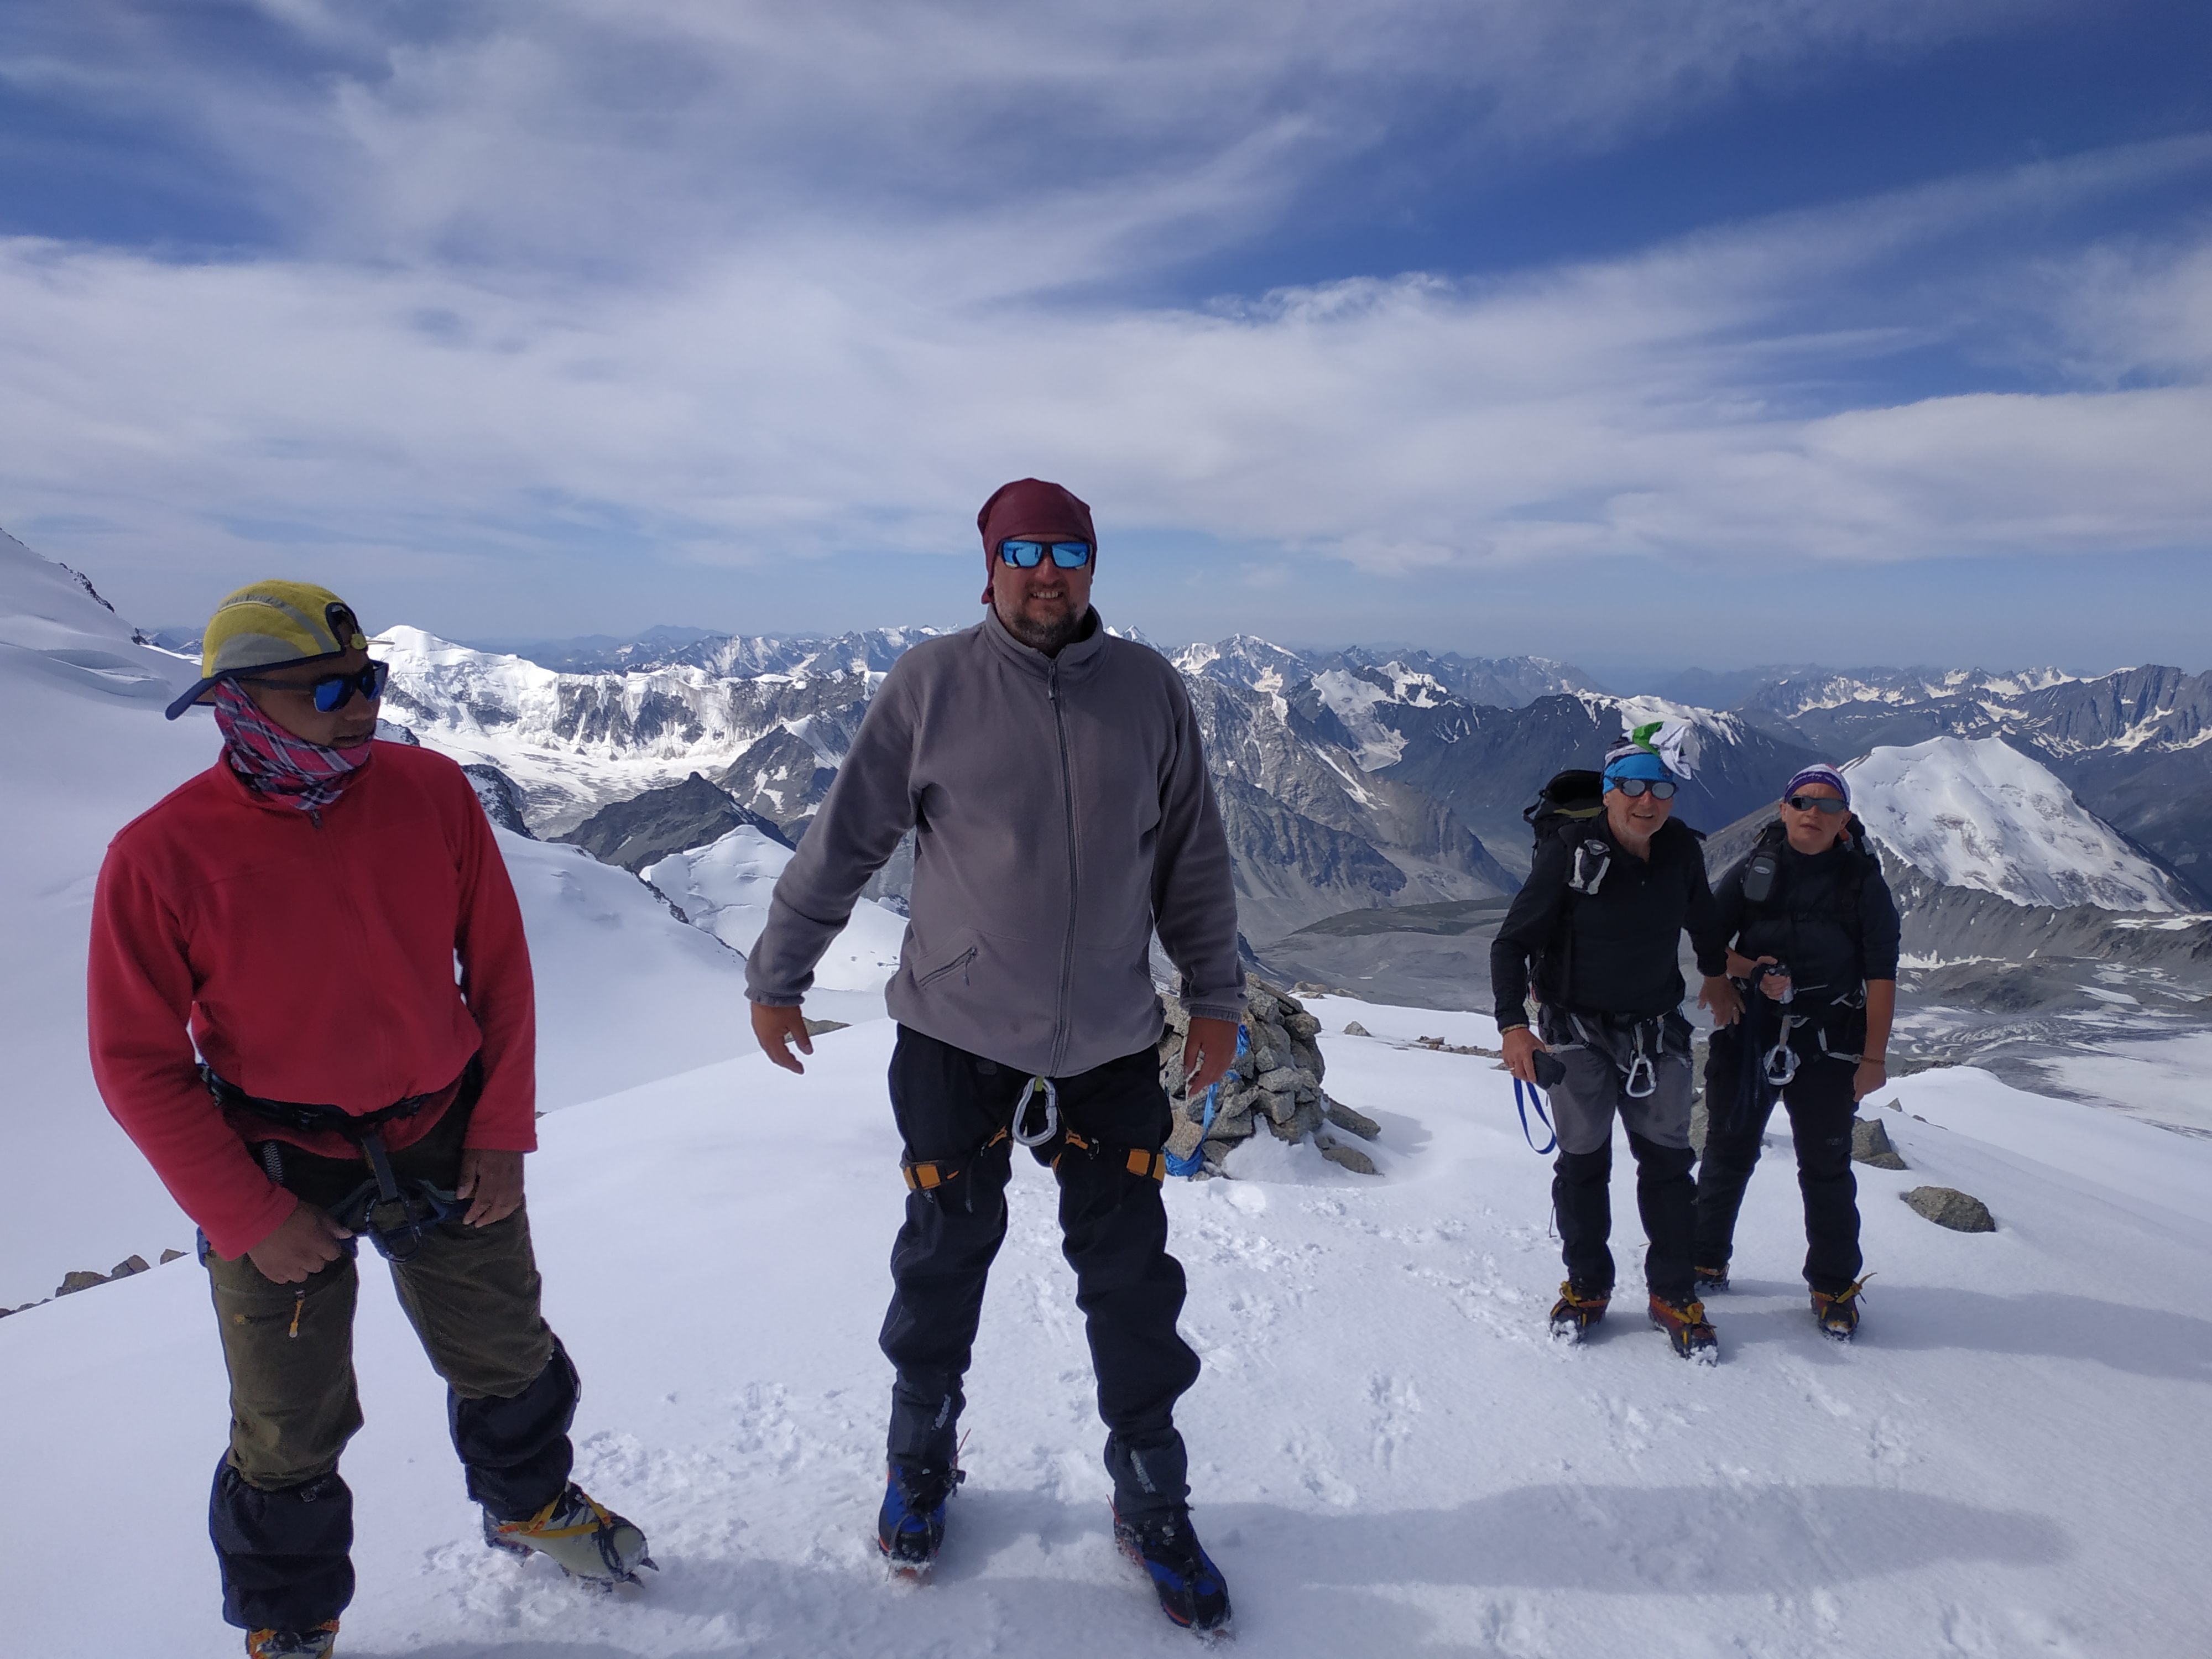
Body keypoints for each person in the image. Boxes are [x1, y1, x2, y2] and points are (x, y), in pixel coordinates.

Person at [88, 582, 650, 1659]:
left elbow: (498, 973)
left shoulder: (432, 793)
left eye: (370, 682)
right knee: (287, 1421)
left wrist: (500, 1135)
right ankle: (292, 1620)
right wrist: (249, 1216)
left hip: (442, 1132)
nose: (362, 709)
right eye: (330, 691)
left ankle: (528, 1503)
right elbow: (137, 1064)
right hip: (275, 1161)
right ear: (239, 704)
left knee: (507, 1352)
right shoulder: (159, 857)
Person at [746, 478, 1243, 1633]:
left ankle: (1150, 1490)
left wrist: (1212, 994)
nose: (1044, 570)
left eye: (1066, 550)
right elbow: (844, 839)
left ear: (1090, 563)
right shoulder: (933, 684)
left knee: (1128, 1279)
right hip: (955, 1039)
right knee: (941, 1255)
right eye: (1021, 550)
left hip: (1112, 1045)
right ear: (988, 561)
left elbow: (1192, 860)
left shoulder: (1147, 691)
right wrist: (778, 973)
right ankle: (918, 1456)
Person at [1493, 726, 1743, 1361]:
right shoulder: (1569, 852)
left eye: (1661, 788)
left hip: (1653, 1029)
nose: (1647, 801)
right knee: (1582, 1164)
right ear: (1608, 793)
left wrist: (1717, 973)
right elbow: (1512, 943)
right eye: (1631, 787)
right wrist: (1512, 1026)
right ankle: (1587, 1286)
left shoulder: (1681, 852)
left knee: (1665, 1165)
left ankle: (1672, 1291)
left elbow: (1703, 920)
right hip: (1574, 1031)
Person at [1692, 765, 1899, 1340]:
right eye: (1802, 801)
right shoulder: (1755, 871)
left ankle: (1833, 1282)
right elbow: (1708, 938)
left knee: (1825, 1166)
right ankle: (1705, 1257)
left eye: (1827, 805)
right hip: (1752, 1029)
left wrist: (1873, 1059)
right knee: (1727, 1149)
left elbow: (1882, 974)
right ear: (1783, 810)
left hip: (1829, 1041)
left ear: (1845, 821)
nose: (1813, 812)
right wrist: (1746, 971)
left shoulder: (1863, 885)